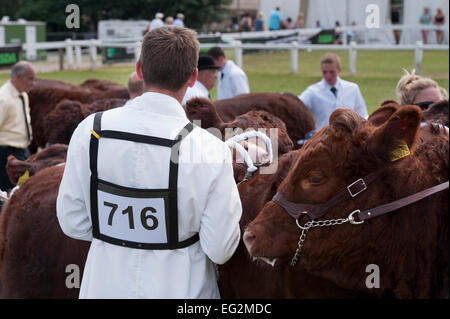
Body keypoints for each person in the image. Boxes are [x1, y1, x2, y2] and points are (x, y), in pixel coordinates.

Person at [56, 26, 242, 299]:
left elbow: (73, 221)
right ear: (192, 77)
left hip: (103, 287)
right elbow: (220, 249)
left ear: (139, 70)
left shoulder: (91, 130)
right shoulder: (209, 148)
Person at [298, 53, 368, 131]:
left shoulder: (353, 88)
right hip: (323, 139)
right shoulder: (312, 91)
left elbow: (363, 115)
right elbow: (296, 106)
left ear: (339, 70)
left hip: (349, 138)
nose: (328, 76)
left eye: (332, 72)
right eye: (325, 72)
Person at [0, 61, 35, 191]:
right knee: (7, 192)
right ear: (18, 77)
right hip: (6, 154)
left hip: (23, 150)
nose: (32, 83)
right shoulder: (3, 99)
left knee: (23, 189)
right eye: (30, 79)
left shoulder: (23, 95)